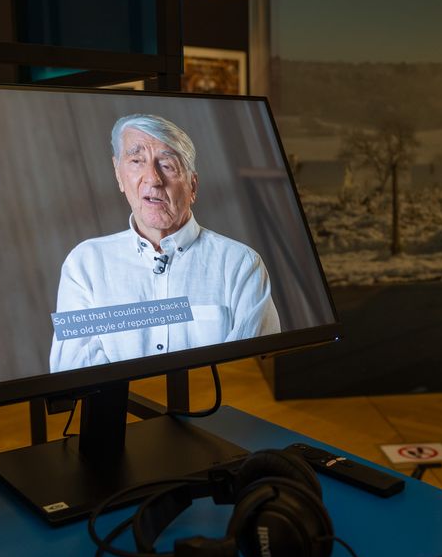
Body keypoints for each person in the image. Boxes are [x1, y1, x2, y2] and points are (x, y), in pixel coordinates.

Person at [49, 114, 280, 372]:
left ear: (193, 186)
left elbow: (250, 372)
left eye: (167, 165)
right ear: (118, 174)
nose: (153, 179)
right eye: (136, 161)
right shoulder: (85, 264)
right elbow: (73, 370)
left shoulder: (241, 264)